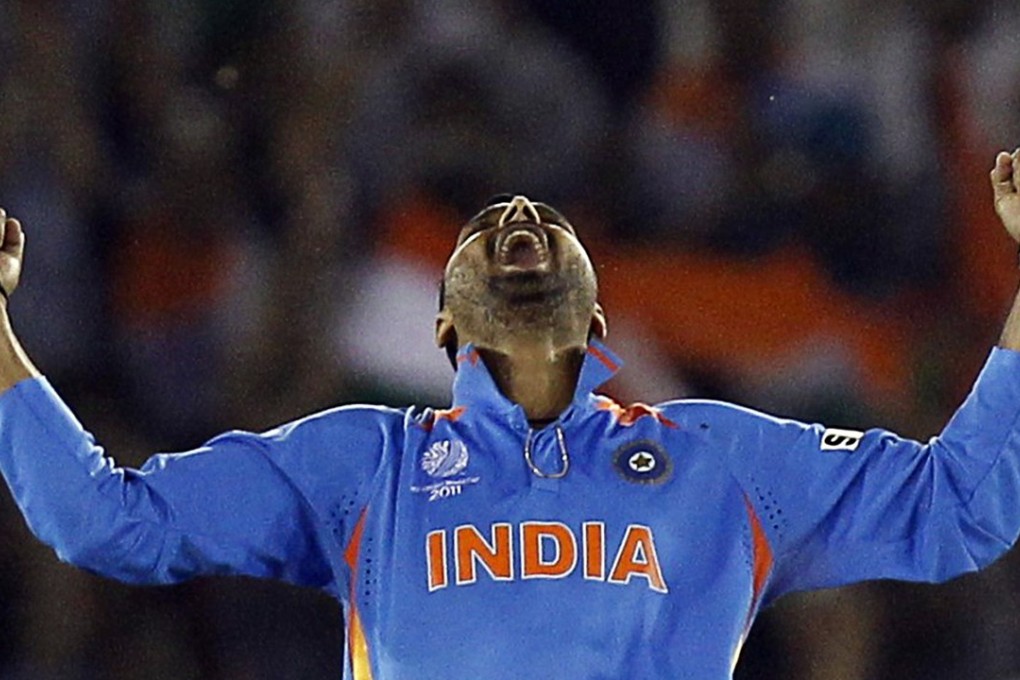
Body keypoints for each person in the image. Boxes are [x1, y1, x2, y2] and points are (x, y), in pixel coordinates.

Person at [2, 152, 1020, 680]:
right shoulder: (364, 462)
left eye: (548, 224)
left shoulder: (717, 457)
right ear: (443, 321)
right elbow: (101, 517)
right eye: (486, 226)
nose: (521, 218)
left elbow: (963, 503)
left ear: (598, 309)